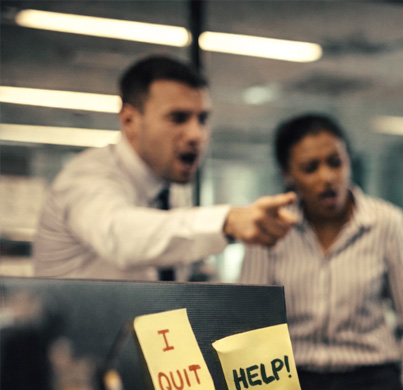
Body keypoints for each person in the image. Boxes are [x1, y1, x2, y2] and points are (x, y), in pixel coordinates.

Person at [239, 113, 403, 390]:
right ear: (288, 175)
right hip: (290, 389)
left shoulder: (385, 222)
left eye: (335, 162)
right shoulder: (270, 227)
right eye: (310, 167)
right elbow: (249, 325)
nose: (328, 176)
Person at [33, 55, 297, 280]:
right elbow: (121, 237)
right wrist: (227, 221)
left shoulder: (168, 188)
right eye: (178, 118)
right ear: (129, 120)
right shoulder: (85, 178)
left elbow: (181, 261)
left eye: (202, 119)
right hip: (79, 339)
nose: (196, 134)